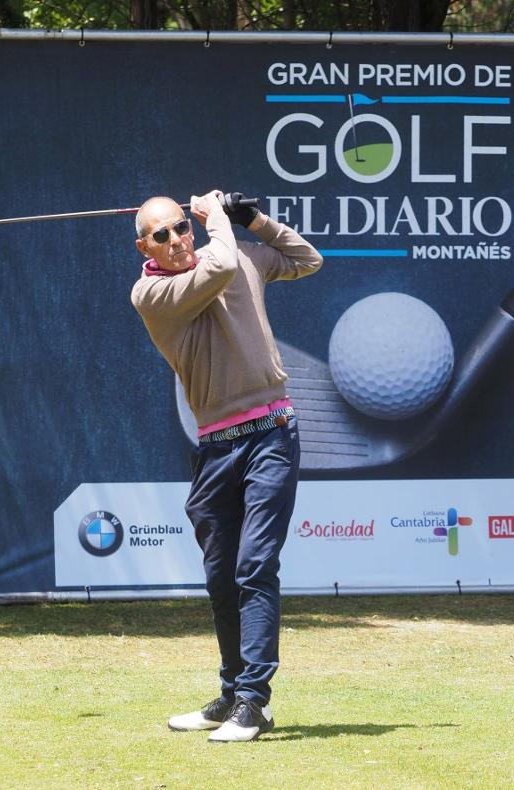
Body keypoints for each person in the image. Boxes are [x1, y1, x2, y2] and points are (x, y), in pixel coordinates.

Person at [130, 190, 322, 742]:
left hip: (271, 435)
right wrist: (217, 222)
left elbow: (308, 259)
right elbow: (217, 267)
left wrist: (253, 220)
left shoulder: (233, 250)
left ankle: (254, 701)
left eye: (180, 228)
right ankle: (233, 691)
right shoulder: (152, 291)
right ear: (145, 245)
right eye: (161, 235)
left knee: (255, 565)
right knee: (221, 578)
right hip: (216, 446)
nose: (175, 240)